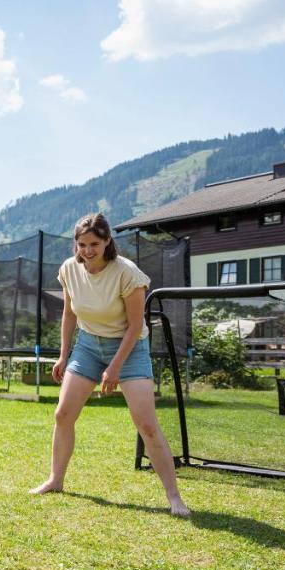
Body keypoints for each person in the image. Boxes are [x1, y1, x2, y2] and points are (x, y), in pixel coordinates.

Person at [30, 212, 191, 517]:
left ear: (106, 242)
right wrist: (64, 355)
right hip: (88, 346)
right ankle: (55, 480)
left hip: (129, 348)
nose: (87, 251)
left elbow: (134, 326)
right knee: (63, 414)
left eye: (93, 243)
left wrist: (115, 367)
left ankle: (174, 498)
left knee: (146, 424)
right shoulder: (69, 269)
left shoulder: (126, 273)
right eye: (81, 244)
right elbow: (69, 314)